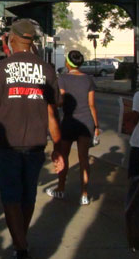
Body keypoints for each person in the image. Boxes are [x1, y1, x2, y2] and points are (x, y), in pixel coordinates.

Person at [0, 18, 65, 259]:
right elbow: (51, 112)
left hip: (7, 144)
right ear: (31, 42)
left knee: (11, 196)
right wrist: (58, 147)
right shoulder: (46, 69)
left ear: (12, 39)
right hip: (36, 143)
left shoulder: (2, 68)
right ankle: (21, 240)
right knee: (28, 194)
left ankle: (21, 246)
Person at [45, 50, 99, 205]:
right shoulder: (88, 79)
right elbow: (92, 105)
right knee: (84, 159)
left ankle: (60, 189)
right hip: (86, 122)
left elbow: (60, 101)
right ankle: (84, 194)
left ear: (68, 63)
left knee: (64, 156)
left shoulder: (62, 78)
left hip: (69, 122)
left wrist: (51, 103)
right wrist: (96, 126)